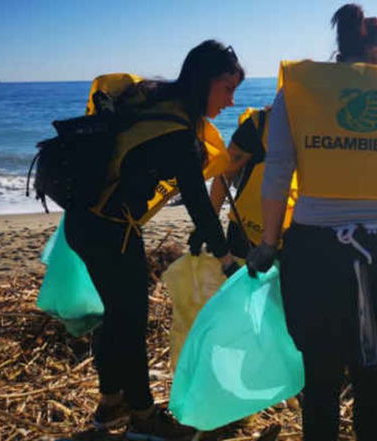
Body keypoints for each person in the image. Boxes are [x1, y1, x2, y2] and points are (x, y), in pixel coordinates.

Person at [246, 5, 377, 441]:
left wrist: (268, 243)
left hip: (315, 251)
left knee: (321, 375)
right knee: (371, 369)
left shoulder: (299, 91)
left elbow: (278, 170)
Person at [64, 40, 243, 439]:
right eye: (228, 89)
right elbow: (197, 200)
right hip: (111, 230)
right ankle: (143, 418)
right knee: (129, 322)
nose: (231, 102)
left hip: (86, 222)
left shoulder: (157, 102)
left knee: (116, 318)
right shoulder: (176, 131)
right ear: (205, 82)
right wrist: (226, 256)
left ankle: (112, 405)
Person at [190, 106, 297, 258]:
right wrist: (207, 225)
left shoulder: (328, 129)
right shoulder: (260, 124)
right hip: (246, 232)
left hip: (298, 236)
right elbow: (225, 173)